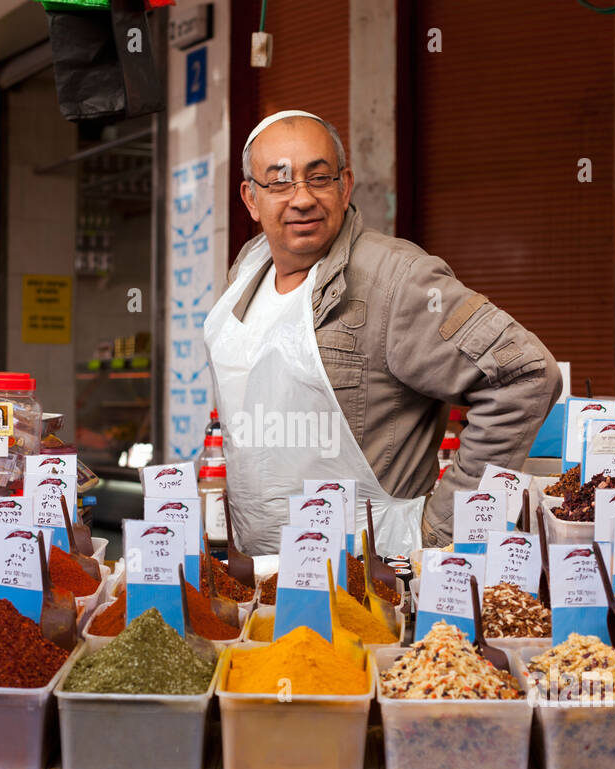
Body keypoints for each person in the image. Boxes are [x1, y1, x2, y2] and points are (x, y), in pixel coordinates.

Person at [204, 110, 562, 556]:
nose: (301, 199)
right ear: (251, 199)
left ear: (345, 185)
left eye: (319, 178)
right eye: (279, 182)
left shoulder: (396, 278)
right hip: (260, 578)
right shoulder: (248, 268)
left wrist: (443, 529)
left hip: (373, 577)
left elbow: (525, 375)